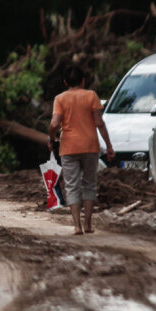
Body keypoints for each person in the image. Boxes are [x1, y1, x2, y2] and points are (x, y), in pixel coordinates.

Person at [48, 65, 114, 235]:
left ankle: (77, 226)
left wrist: (52, 139)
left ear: (65, 82)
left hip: (68, 147)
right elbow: (99, 122)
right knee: (89, 184)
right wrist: (109, 145)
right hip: (90, 146)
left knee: (71, 186)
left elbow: (54, 124)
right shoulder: (91, 96)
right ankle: (88, 224)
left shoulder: (60, 99)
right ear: (83, 80)